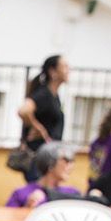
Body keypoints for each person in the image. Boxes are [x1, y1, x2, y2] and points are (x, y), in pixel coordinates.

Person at [17, 54, 68, 183]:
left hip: (48, 159)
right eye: (65, 66)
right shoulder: (44, 94)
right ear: (53, 71)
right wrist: (39, 128)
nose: (68, 70)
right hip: (38, 159)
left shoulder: (54, 95)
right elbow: (23, 111)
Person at [6, 141, 83, 208]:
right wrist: (27, 207)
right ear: (50, 163)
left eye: (72, 161)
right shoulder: (21, 193)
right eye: (66, 160)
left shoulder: (73, 194)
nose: (71, 166)